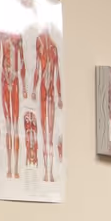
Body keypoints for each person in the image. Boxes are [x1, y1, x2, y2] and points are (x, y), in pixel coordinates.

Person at [0, 25, 26, 179]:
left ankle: (15, 169)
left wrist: (24, 86)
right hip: (6, 81)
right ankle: (9, 168)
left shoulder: (18, 37)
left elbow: (22, 61)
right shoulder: (1, 35)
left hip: (15, 81)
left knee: (16, 125)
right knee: (8, 124)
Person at [33, 28, 61, 182]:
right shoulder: (42, 46)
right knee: (45, 134)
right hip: (44, 93)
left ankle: (49, 172)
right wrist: (31, 88)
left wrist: (60, 95)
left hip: (49, 93)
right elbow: (38, 69)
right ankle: (47, 172)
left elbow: (56, 73)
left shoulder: (53, 49)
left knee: (49, 135)